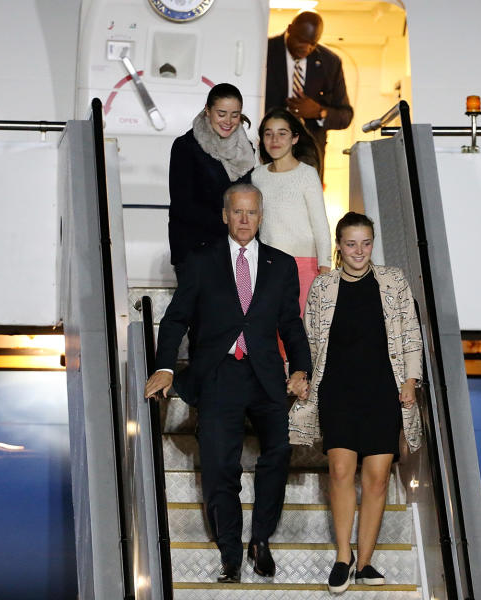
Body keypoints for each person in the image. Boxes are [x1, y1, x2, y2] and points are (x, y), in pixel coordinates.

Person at [145, 184, 311, 584]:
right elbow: (175, 319)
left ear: (260, 216)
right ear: (224, 215)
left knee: (278, 454)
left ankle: (261, 540)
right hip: (219, 375)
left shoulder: (281, 265)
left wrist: (301, 367)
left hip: (266, 376)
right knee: (221, 467)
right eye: (236, 212)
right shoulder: (200, 261)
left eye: (251, 213)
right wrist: (165, 367)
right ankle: (230, 553)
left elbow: (290, 322)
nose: (243, 220)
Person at [288, 212, 424, 594]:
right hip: (337, 391)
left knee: (378, 479)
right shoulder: (323, 286)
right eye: (351, 243)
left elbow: (411, 335)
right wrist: (300, 375)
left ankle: (365, 563)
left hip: (384, 391)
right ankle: (343, 557)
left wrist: (411, 381)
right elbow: (308, 338)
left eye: (366, 243)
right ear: (339, 245)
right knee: (340, 470)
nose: (359, 251)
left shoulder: (393, 281)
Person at [168, 83, 255, 272]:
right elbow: (182, 205)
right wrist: (230, 223)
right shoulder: (186, 146)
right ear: (207, 110)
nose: (228, 121)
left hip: (234, 252)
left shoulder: (245, 149)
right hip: (196, 251)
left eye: (235, 115)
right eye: (221, 113)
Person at [252, 107, 331, 314]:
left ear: (294, 138)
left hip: (304, 265)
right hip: (268, 265)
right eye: (268, 134)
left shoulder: (307, 174)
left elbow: (320, 224)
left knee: (300, 332)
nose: (274, 139)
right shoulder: (256, 176)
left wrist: (325, 267)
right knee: (271, 331)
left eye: (282, 133)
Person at [264, 10, 353, 178]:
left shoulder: (330, 62)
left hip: (308, 158)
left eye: (313, 43)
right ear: (290, 28)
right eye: (301, 40)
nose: (306, 48)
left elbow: (345, 115)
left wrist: (319, 112)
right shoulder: (264, 50)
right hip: (266, 151)